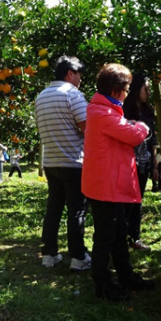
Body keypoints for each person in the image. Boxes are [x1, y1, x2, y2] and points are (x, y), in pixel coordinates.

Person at [82, 63, 153, 301]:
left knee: (119, 232)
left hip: (108, 185)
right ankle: (103, 286)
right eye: (126, 89)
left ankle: (125, 276)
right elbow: (133, 135)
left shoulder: (106, 110)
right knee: (105, 237)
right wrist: (142, 125)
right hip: (104, 187)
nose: (127, 94)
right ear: (116, 91)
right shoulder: (101, 112)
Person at [34, 55, 91, 270]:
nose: (80, 80)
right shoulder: (72, 94)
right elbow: (87, 128)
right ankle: (78, 257)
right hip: (74, 161)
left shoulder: (41, 96)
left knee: (54, 210)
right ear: (70, 73)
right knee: (76, 211)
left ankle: (49, 254)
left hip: (51, 162)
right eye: (79, 75)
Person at [122, 74, 159, 253]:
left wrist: (155, 165)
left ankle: (134, 237)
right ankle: (123, 236)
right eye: (146, 88)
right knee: (127, 201)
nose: (148, 92)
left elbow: (153, 141)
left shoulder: (147, 112)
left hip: (144, 163)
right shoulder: (125, 111)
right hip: (128, 163)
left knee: (138, 200)